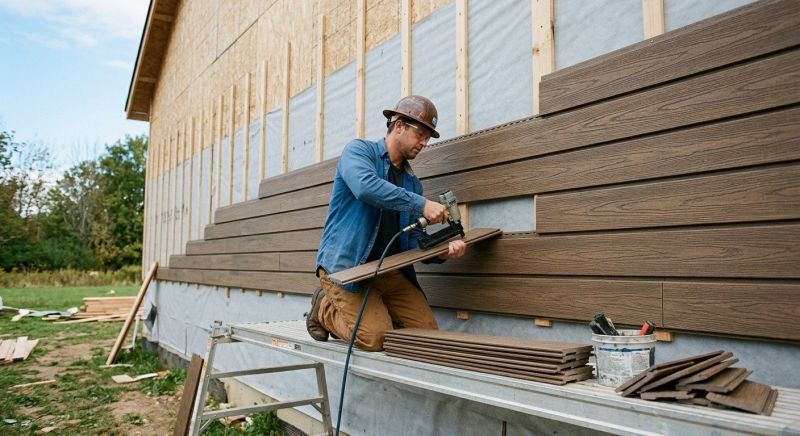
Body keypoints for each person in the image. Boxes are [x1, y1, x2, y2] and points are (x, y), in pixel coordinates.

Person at [306, 95, 468, 351]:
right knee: (374, 339)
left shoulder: (412, 183)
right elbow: (364, 187)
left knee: (426, 335)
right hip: (347, 268)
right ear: (399, 125)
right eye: (421, 134)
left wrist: (443, 252)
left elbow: (410, 241)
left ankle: (373, 311)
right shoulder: (359, 151)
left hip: (387, 270)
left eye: (428, 138)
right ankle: (324, 307)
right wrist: (421, 204)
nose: (424, 143)